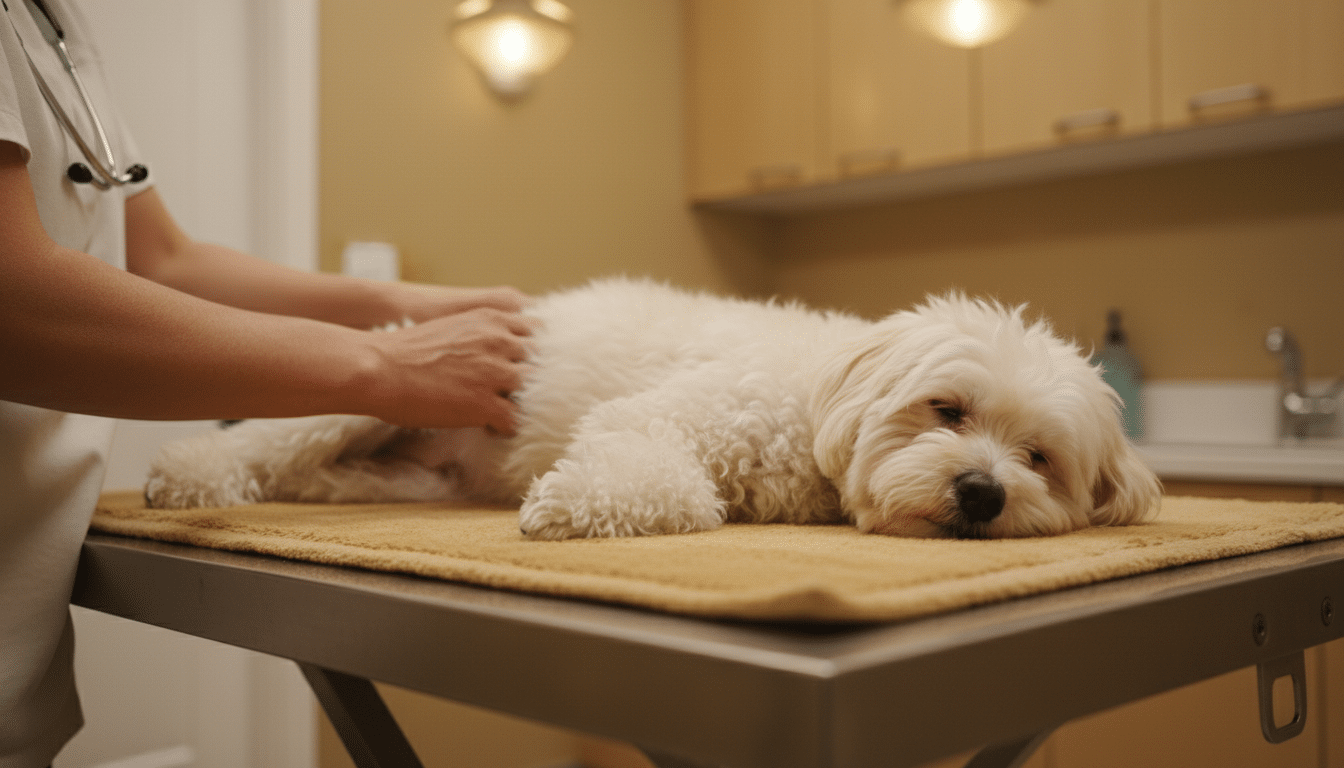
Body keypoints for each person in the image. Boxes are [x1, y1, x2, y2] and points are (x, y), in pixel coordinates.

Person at [0, 1, 534, 765]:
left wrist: (407, 307)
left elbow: (164, 263)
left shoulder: (56, 21)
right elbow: (12, 298)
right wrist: (387, 367)